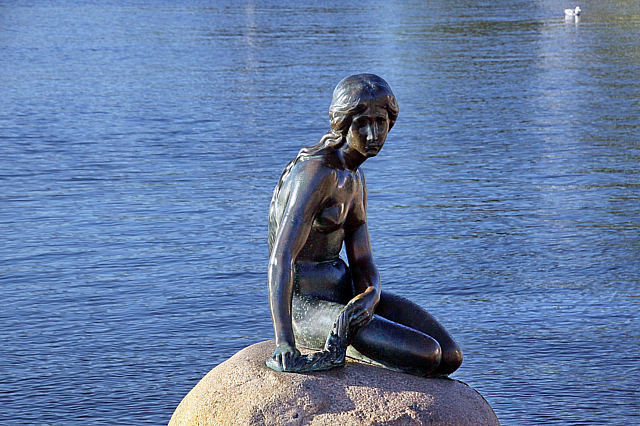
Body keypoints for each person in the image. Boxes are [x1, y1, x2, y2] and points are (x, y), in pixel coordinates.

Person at [266, 74, 462, 376]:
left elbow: (362, 260)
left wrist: (371, 295)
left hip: (346, 298)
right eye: (362, 124)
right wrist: (284, 343)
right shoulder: (317, 174)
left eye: (380, 122)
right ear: (343, 125)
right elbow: (281, 259)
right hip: (307, 309)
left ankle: (364, 336)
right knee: (427, 354)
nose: (373, 135)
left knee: (450, 355)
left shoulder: (355, 178)